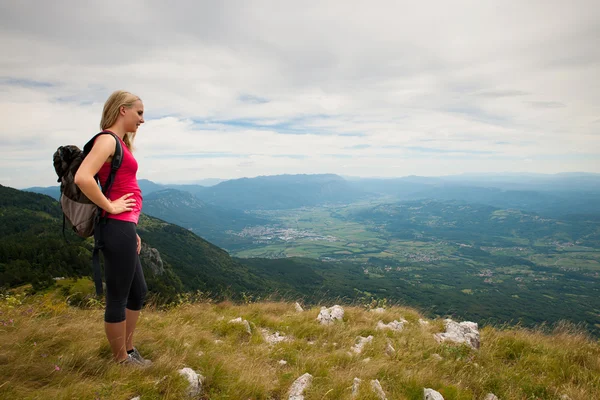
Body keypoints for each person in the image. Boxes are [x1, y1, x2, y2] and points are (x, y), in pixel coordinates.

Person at [74, 90, 150, 365]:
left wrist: (131, 229)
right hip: (115, 225)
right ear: (122, 110)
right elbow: (83, 177)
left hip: (123, 227)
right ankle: (121, 360)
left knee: (138, 291)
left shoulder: (119, 143)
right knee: (118, 296)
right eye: (139, 112)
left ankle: (128, 351)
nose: (142, 119)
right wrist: (110, 205)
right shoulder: (107, 140)